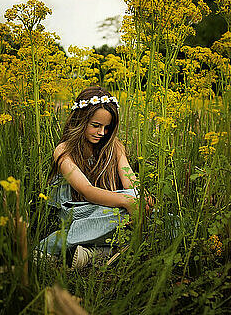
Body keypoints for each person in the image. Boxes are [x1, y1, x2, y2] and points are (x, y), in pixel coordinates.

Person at [38, 86, 154, 268]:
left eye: (107, 128)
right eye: (96, 126)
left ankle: (96, 252)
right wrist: (126, 201)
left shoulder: (115, 147)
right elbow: (87, 190)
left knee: (157, 216)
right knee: (121, 214)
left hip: (107, 205)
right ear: (80, 121)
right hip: (76, 213)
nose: (102, 133)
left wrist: (141, 198)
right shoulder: (64, 151)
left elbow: (130, 179)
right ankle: (51, 248)